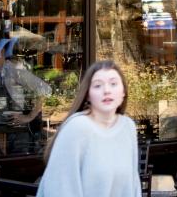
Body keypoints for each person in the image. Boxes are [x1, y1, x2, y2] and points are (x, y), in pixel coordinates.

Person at [36, 60, 141, 197]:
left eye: (113, 83)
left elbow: (133, 185)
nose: (107, 90)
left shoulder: (128, 127)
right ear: (88, 95)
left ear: (123, 92)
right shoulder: (77, 128)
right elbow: (60, 188)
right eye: (98, 86)